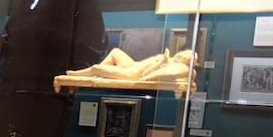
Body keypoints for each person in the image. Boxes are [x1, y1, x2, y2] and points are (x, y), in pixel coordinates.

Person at [65, 48, 195, 82]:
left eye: (183, 57)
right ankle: (96, 75)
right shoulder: (169, 58)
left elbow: (145, 74)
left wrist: (161, 62)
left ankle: (78, 74)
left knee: (95, 68)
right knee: (115, 52)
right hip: (133, 65)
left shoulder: (170, 65)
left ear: (184, 62)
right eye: (183, 53)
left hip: (131, 74)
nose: (180, 55)